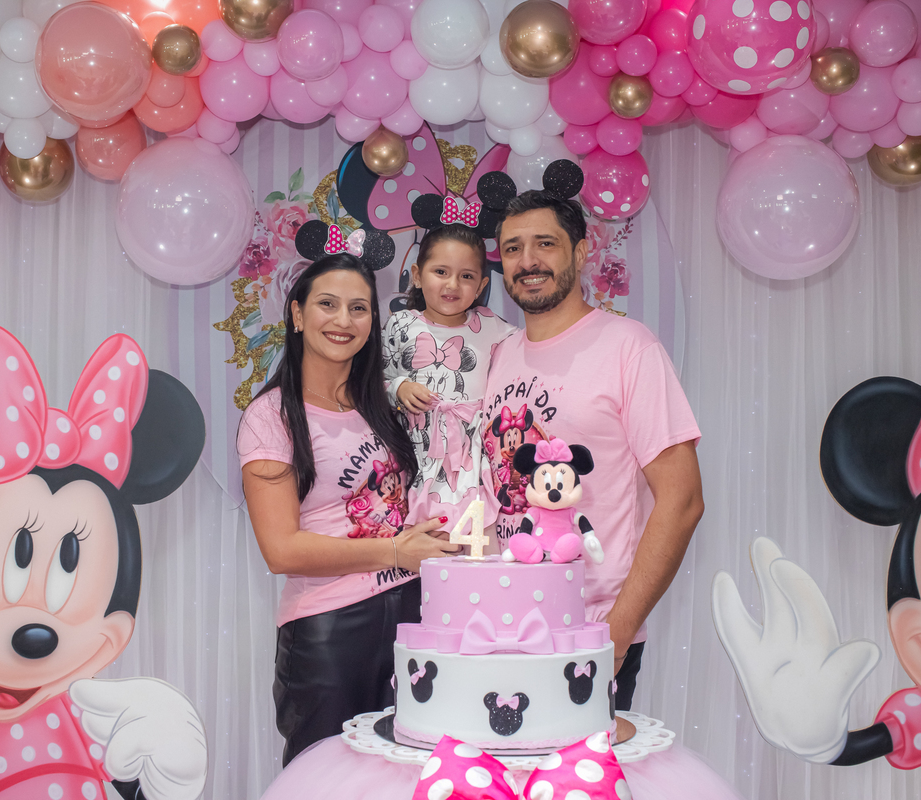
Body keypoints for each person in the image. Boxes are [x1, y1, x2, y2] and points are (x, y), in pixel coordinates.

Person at [482, 191, 704, 711]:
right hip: (499, 623)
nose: (527, 261)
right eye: (512, 248)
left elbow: (683, 500)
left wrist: (618, 632)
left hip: (590, 632)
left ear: (580, 253)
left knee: (580, 765)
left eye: (545, 244)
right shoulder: (499, 354)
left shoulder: (630, 347)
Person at [238, 253, 460, 766]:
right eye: (328, 304)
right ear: (297, 314)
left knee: (406, 776)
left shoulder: (381, 405)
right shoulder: (271, 417)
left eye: (359, 308)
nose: (344, 320)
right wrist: (396, 551)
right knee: (326, 778)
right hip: (329, 632)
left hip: (413, 617)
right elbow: (281, 550)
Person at [382, 223, 517, 530]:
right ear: (417, 275)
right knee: (418, 532)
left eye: (466, 276)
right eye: (441, 272)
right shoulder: (400, 324)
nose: (453, 285)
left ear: (481, 286)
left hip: (470, 453)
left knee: (471, 532)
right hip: (415, 448)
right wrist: (399, 388)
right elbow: (375, 381)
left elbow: (528, 350)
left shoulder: (490, 325)